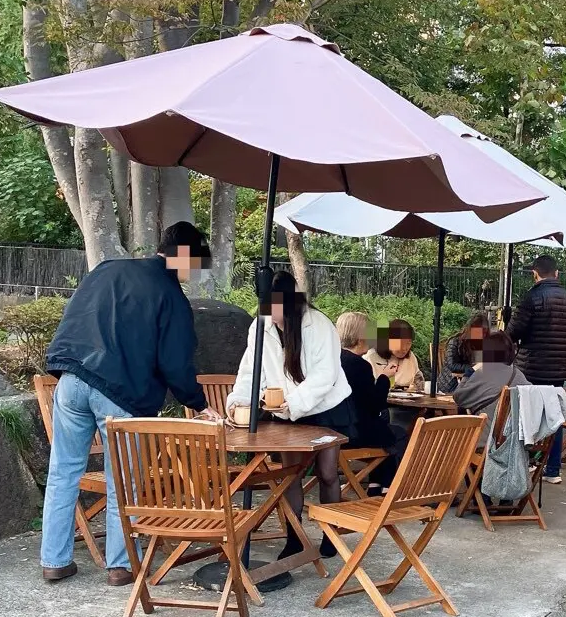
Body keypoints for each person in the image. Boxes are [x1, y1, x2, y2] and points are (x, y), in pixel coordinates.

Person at [41, 222, 220, 587]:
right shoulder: (170, 296)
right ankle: (120, 566)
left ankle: (54, 561)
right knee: (123, 479)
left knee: (63, 473)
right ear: (184, 255)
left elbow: (74, 317)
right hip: (119, 393)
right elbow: (175, 362)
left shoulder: (108, 269)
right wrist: (199, 404)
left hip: (71, 380)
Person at [226, 271, 353, 559]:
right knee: (290, 476)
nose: (271, 314)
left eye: (276, 306)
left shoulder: (318, 324)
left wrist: (292, 403)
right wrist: (238, 402)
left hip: (326, 407)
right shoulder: (260, 326)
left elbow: (325, 375)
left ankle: (331, 535)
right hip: (285, 410)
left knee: (327, 473)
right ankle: (294, 537)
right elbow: (250, 371)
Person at [507, 253, 566, 485]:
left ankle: (528, 463)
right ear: (557, 273)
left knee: (526, 415)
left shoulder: (531, 298)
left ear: (535, 273)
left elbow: (513, 332)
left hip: (531, 367)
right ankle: (552, 469)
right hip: (559, 368)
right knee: (554, 415)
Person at [335, 310, 408, 493]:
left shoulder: (332, 360)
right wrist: (384, 378)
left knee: (384, 428)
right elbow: (375, 404)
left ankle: (376, 484)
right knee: (398, 434)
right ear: (360, 339)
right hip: (352, 434)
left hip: (331, 429)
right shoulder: (360, 365)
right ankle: (390, 486)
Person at [453, 330, 529, 445]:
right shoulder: (518, 374)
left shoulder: (483, 372)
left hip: (483, 442)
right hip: (512, 444)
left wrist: (467, 375)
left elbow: (459, 398)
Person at [436, 312, 491, 393]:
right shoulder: (455, 342)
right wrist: (473, 368)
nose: (482, 336)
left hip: (469, 382)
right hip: (451, 383)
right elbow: (452, 365)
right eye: (479, 332)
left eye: (485, 333)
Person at [365, 318, 425, 391]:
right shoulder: (371, 357)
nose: (404, 348)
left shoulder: (410, 357)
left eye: (408, 343)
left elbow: (419, 383)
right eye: (401, 343)